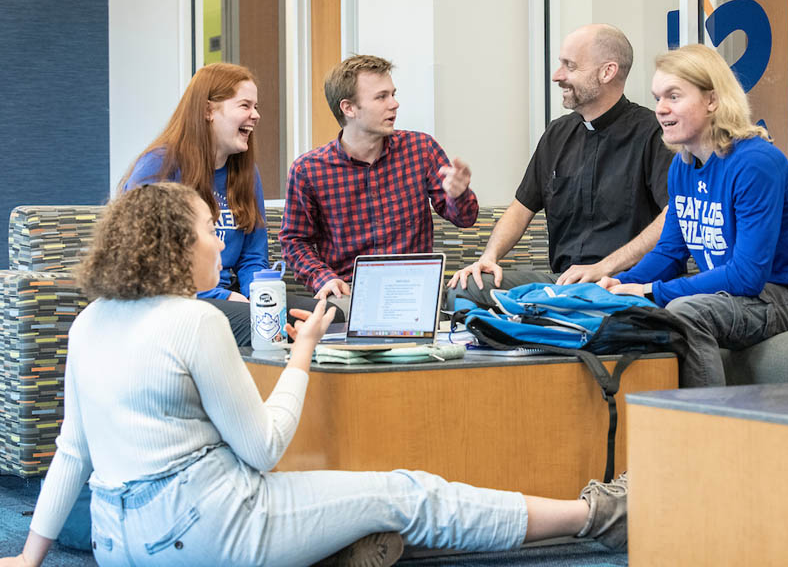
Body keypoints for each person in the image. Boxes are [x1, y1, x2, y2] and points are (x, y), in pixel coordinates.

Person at [0, 183, 628, 567]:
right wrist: (302, 353)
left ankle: (337, 548)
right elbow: (264, 450)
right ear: (172, 247)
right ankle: (593, 515)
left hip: (118, 548)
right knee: (404, 491)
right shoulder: (193, 322)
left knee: (337, 501)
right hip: (206, 532)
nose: (220, 246)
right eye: (206, 232)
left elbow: (72, 453)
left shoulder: (92, 321)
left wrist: (31, 557)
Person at [598, 44, 788, 387]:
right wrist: (619, 286)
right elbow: (670, 253)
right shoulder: (681, 167)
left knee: (685, 312)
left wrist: (652, 290)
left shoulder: (755, 163)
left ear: (712, 100)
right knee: (616, 309)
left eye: (673, 96)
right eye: (657, 98)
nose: (660, 109)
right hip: (740, 298)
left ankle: (707, 433)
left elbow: (748, 276)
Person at [448, 24, 674, 305]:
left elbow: (673, 216)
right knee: (464, 287)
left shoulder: (654, 133)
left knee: (583, 302)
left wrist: (604, 267)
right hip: (562, 283)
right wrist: (488, 258)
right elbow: (521, 208)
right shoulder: (557, 134)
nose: (557, 76)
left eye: (570, 66)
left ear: (607, 72)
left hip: (623, 284)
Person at [121, 62, 317, 344]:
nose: (256, 115)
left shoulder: (247, 173)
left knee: (325, 317)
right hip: (174, 300)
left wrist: (258, 296)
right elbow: (147, 262)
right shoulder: (159, 166)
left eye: (256, 106)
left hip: (228, 294)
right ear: (208, 110)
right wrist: (223, 296)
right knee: (263, 329)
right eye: (245, 106)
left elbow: (253, 257)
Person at [281, 54, 478, 318]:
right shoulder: (308, 170)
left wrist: (459, 194)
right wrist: (322, 278)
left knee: (472, 305)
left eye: (393, 94)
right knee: (332, 317)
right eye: (381, 97)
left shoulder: (422, 149)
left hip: (416, 290)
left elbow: (465, 219)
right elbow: (294, 241)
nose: (394, 104)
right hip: (352, 294)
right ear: (349, 108)